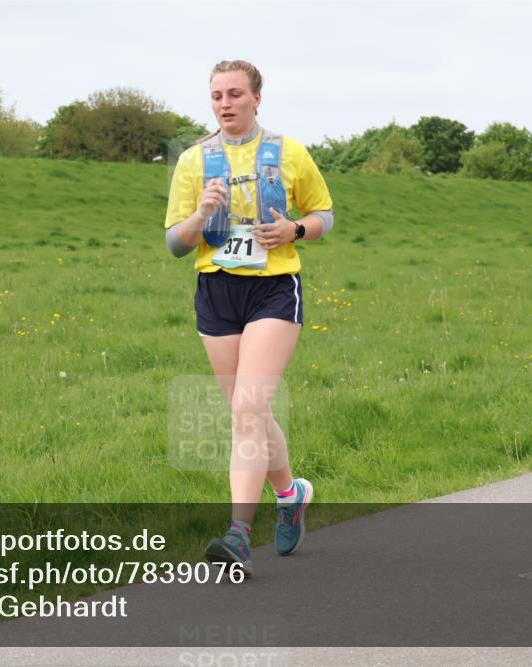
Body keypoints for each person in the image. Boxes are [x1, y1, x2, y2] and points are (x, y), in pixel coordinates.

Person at [163, 60, 335, 576]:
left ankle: (238, 535)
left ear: (257, 98)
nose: (225, 103)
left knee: (247, 407)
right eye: (217, 95)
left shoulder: (289, 152)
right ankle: (290, 493)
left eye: (235, 94)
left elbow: (324, 214)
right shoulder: (194, 160)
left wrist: (295, 232)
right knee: (249, 415)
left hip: (274, 291)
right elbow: (175, 242)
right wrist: (200, 214)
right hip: (216, 290)